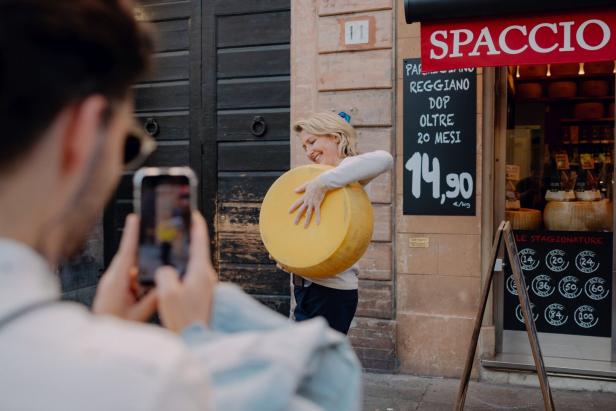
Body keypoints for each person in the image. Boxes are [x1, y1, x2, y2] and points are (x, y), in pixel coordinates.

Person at [0, 1, 360, 410]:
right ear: (80, 136)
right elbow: (333, 382)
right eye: (127, 144)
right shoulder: (157, 382)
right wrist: (205, 321)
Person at [288, 112, 393, 334]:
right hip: (308, 289)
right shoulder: (320, 175)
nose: (308, 152)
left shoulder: (349, 170)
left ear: (335, 136)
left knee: (310, 364)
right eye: (305, 147)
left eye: (312, 141)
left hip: (330, 290)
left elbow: (385, 158)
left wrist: (323, 182)